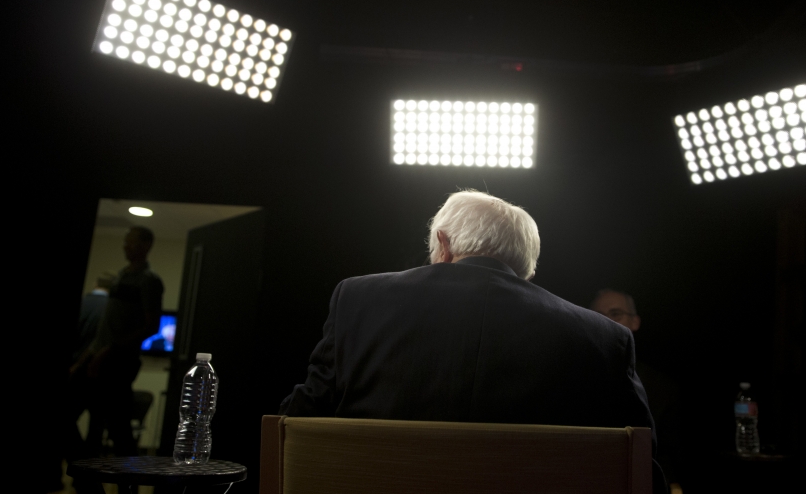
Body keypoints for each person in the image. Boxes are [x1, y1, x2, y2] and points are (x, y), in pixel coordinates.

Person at [281, 190, 662, 488]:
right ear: (525, 269)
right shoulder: (605, 338)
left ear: (443, 244)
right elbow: (641, 465)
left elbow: (295, 428)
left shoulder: (357, 299)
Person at [70, 226, 164, 458]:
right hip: (97, 358)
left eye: (130, 242)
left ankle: (122, 483)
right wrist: (86, 358)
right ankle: (86, 474)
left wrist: (110, 350)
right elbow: (106, 326)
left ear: (146, 245)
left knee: (117, 429)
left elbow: (150, 326)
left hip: (117, 365)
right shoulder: (121, 275)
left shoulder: (148, 281)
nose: (125, 246)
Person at [590, 289, 684, 494]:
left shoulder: (661, 387)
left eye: (616, 314)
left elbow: (668, 451)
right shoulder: (574, 377)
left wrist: (673, 485)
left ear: (635, 322)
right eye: (598, 315)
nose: (607, 322)